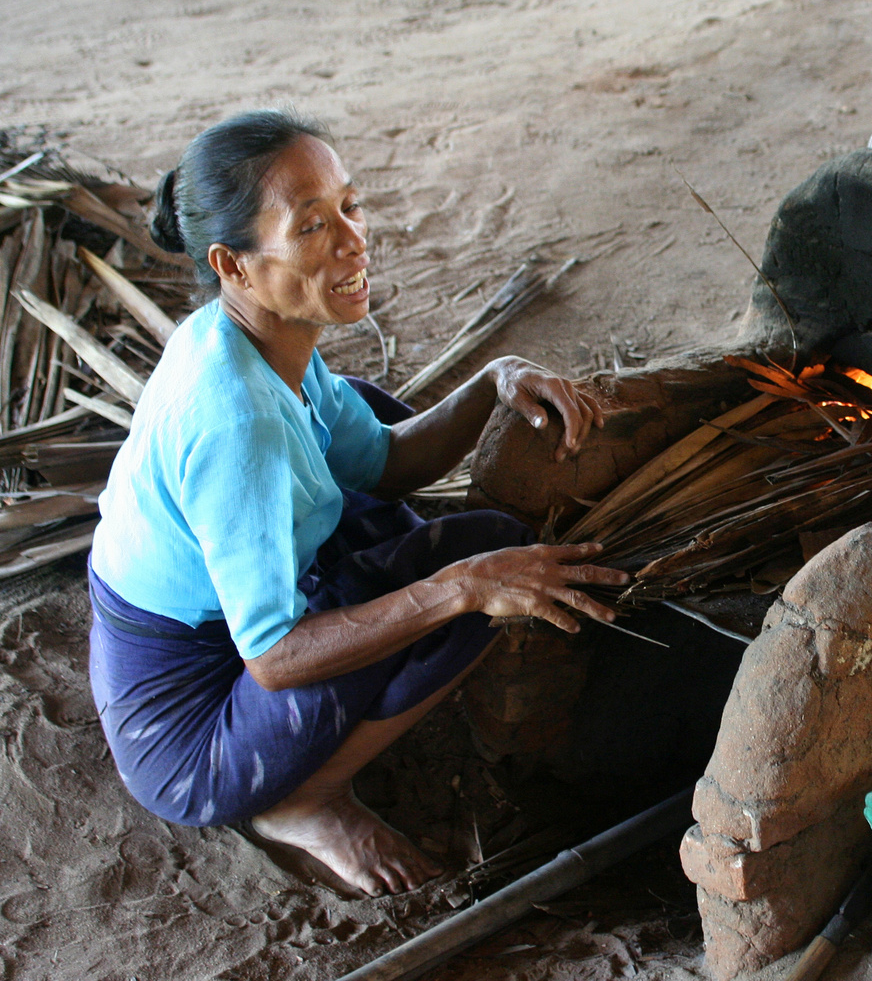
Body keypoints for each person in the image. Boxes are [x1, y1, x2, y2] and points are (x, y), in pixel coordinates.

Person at [87, 109, 628, 895]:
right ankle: (304, 799)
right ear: (233, 265)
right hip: (191, 734)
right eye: (311, 226)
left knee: (398, 460)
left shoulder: (260, 342)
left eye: (351, 205)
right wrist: (461, 588)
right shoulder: (235, 420)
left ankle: (372, 677)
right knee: (465, 596)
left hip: (233, 617)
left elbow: (384, 460)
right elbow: (273, 659)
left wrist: (492, 382)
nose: (352, 239)